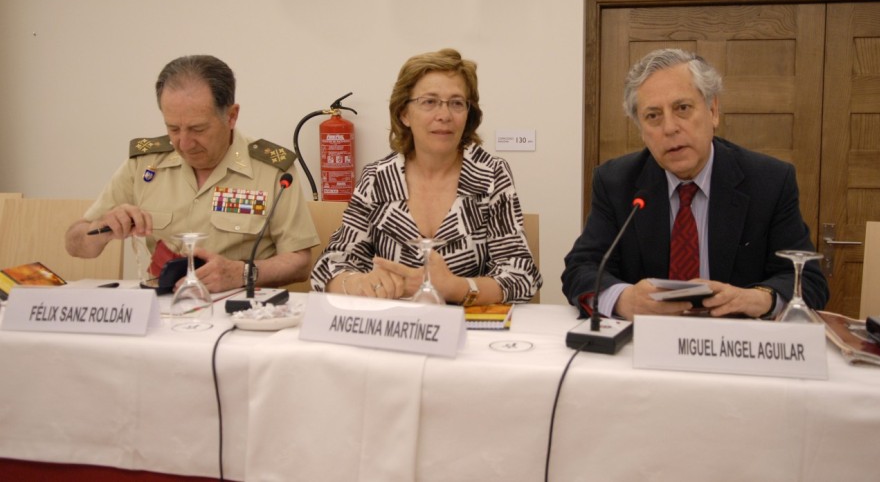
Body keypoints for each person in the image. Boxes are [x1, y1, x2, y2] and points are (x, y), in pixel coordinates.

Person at [562, 48, 828, 320]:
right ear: (641, 129)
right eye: (653, 116)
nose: (670, 128)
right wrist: (623, 299)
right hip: (647, 339)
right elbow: (580, 268)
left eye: (682, 108)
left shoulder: (769, 181)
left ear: (713, 111)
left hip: (734, 339)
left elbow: (808, 281)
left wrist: (757, 298)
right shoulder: (616, 182)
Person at [65, 55, 319, 292]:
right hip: (160, 305)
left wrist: (241, 273)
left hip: (238, 309)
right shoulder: (145, 164)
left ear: (231, 116)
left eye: (198, 129)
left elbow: (300, 262)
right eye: (173, 128)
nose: (184, 143)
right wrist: (103, 228)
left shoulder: (272, 170)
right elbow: (75, 243)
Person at [310, 48, 542, 305]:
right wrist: (356, 283)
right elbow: (327, 266)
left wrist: (455, 287)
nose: (444, 115)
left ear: (469, 114)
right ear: (404, 114)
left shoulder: (490, 174)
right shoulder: (377, 178)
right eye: (429, 102)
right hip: (392, 323)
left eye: (456, 103)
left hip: (464, 324)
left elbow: (522, 276)